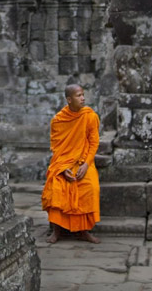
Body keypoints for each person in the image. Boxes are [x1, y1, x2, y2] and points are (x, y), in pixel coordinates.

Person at [41, 84, 100, 244]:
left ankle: (83, 231)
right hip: (63, 163)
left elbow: (94, 143)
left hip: (83, 161)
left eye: (83, 95)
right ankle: (56, 231)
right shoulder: (59, 120)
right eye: (78, 95)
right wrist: (63, 169)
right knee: (56, 186)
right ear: (69, 99)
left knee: (89, 186)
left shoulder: (90, 116)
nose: (83, 98)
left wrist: (86, 164)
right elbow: (56, 147)